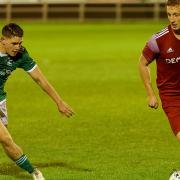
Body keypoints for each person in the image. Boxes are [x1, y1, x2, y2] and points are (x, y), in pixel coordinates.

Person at [0, 23, 74, 180]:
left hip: (0, 99)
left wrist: (59, 102)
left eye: (20, 43)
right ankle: (34, 172)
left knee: (6, 141)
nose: (17, 47)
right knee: (5, 138)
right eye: (14, 43)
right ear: (3, 40)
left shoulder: (21, 55)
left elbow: (40, 79)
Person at [139, 0, 180, 178]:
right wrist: (150, 93)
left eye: (177, 14)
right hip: (171, 96)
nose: (172, 19)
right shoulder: (159, 39)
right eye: (169, 14)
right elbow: (142, 63)